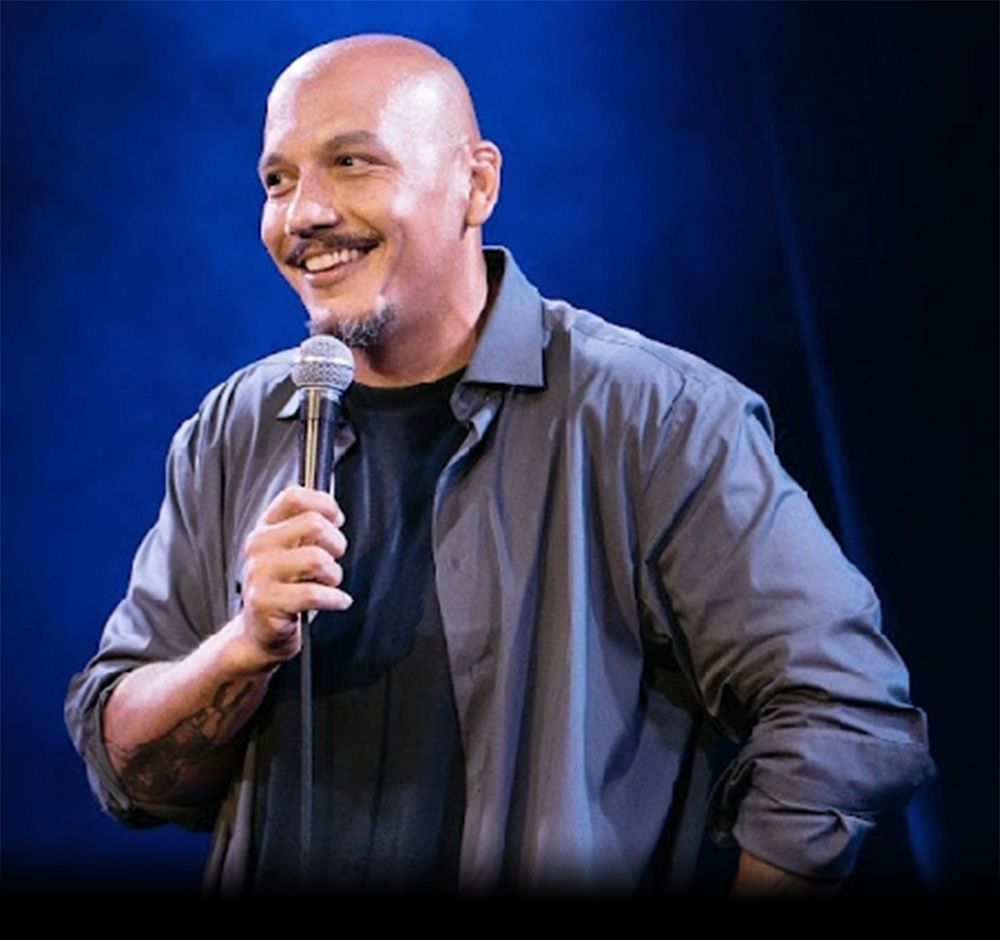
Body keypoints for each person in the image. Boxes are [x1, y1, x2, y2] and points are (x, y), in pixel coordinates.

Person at [65, 34, 933, 897]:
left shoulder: (654, 416)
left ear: (477, 183)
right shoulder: (233, 430)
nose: (304, 214)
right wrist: (241, 649)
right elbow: (125, 768)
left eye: (352, 162)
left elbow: (844, 711)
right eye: (277, 180)